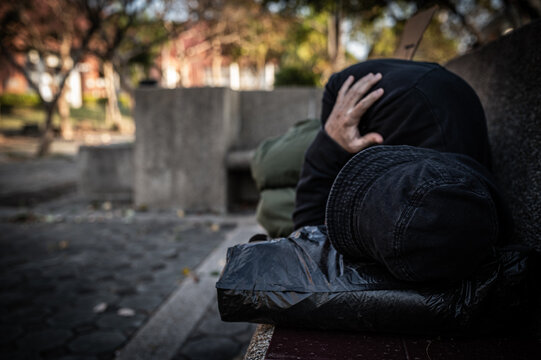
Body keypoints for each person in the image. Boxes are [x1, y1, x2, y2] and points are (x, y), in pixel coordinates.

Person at [293, 59, 511, 282]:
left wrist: (329, 144)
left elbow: (309, 242)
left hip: (402, 98)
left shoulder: (415, 214)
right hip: (448, 90)